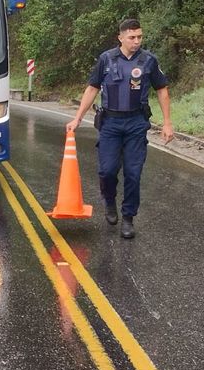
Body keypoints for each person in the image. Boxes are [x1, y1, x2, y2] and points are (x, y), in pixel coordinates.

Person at [66, 18, 173, 239]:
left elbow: (162, 90)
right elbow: (92, 89)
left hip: (136, 123)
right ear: (121, 37)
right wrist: (77, 118)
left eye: (140, 37)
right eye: (132, 37)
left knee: (133, 174)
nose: (136, 41)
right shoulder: (106, 59)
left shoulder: (148, 61)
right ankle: (109, 202)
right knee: (107, 170)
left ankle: (128, 218)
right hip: (110, 123)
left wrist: (167, 123)